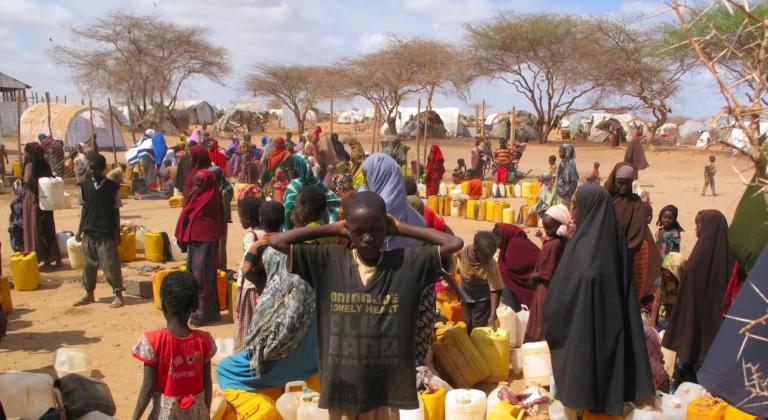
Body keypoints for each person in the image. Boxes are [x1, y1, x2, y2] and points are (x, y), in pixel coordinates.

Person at [268, 191, 463, 417]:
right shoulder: (327, 262)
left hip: (385, 391)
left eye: (375, 229)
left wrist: (401, 227)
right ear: (347, 229)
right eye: (358, 231)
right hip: (342, 389)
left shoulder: (405, 263)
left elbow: (454, 243)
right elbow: (276, 241)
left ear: (386, 228)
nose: (367, 238)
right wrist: (332, 227)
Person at [544, 184, 654, 416]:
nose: (573, 213)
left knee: (585, 379)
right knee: (603, 380)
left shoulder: (584, 247)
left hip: (584, 325)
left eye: (577, 207)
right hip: (611, 328)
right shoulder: (615, 241)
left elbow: (566, 290)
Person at [662, 210, 734, 387]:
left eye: (699, 226)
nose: (696, 231)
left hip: (695, 331)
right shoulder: (732, 259)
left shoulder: (697, 259)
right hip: (720, 334)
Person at [132, 271, 216, 419]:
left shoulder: (152, 342)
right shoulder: (204, 341)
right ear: (194, 306)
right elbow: (207, 384)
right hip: (196, 414)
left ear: (163, 304)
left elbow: (148, 387)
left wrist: (135, 418)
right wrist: (205, 413)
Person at [175, 168, 226, 326]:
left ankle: (204, 313)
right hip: (194, 240)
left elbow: (214, 220)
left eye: (199, 182)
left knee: (203, 277)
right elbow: (187, 213)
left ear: (206, 182)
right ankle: (197, 309)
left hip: (205, 240)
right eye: (195, 182)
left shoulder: (213, 196)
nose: (196, 185)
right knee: (193, 275)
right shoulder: (196, 194)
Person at [605, 162, 661, 303]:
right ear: (613, 181)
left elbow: (638, 234)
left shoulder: (635, 203)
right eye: (620, 183)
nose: (623, 188)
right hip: (607, 257)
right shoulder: (605, 201)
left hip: (629, 258)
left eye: (627, 183)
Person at [73, 153, 124, 307]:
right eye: (91, 168)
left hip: (106, 232)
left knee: (110, 265)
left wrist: (117, 232)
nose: (92, 171)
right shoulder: (85, 186)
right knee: (89, 265)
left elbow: (116, 211)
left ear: (102, 169)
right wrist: (79, 230)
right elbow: (84, 210)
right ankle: (88, 293)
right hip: (89, 231)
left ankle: (118, 294)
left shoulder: (112, 187)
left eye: (95, 169)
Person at [525, 205, 569, 342]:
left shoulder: (554, 244)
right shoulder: (561, 242)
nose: (547, 232)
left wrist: (534, 276)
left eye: (550, 228)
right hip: (551, 289)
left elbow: (548, 272)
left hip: (545, 289)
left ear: (561, 226)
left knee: (541, 324)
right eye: (545, 228)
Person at [22, 142, 61, 268]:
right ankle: (55, 256)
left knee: (37, 229)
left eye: (26, 152)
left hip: (34, 201)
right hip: (46, 200)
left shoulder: (31, 165)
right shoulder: (44, 164)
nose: (25, 155)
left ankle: (45, 259)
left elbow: (28, 180)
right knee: (48, 227)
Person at [233, 197, 264, 352]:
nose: (239, 219)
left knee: (246, 324)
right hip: (263, 286)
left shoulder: (251, 236)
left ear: (248, 217)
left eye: (240, 216)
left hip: (249, 286)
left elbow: (249, 263)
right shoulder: (267, 233)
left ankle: (244, 355)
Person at [456, 231, 504, 332]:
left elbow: (494, 289)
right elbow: (453, 263)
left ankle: (476, 345)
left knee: (478, 327)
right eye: (486, 257)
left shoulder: (491, 264)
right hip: (465, 294)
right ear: (474, 250)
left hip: (482, 298)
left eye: (491, 256)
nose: (489, 259)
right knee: (466, 323)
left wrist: (492, 314)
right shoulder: (463, 252)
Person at [282, 154, 341, 230]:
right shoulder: (316, 182)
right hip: (322, 224)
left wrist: (285, 228)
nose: (290, 172)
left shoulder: (294, 186)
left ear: (295, 169)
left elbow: (288, 210)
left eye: (291, 169)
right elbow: (333, 200)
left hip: (298, 230)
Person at [493, 224, 540, 311]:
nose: (496, 244)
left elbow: (513, 267)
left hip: (530, 283)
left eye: (497, 240)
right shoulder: (507, 244)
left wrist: (501, 270)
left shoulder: (515, 247)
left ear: (504, 236)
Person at [650, 252, 684, 330]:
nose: (666, 277)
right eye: (664, 272)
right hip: (667, 317)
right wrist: (652, 326)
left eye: (670, 275)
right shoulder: (662, 279)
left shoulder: (684, 285)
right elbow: (657, 301)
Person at [210, 166, 233, 272]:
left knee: (219, 246)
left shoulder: (225, 189)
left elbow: (225, 208)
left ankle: (220, 269)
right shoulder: (213, 186)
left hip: (220, 221)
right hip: (212, 220)